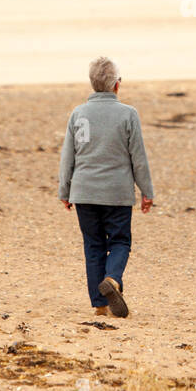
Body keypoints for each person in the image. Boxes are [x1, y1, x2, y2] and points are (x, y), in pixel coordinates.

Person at [58, 56, 154, 319]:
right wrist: (147, 191)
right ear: (117, 86)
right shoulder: (128, 114)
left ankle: (100, 304)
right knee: (120, 241)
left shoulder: (78, 114)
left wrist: (64, 191)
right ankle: (112, 279)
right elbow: (138, 158)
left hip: (84, 191)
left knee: (93, 244)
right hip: (117, 193)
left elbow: (68, 156)